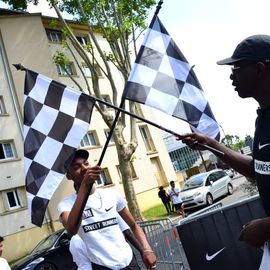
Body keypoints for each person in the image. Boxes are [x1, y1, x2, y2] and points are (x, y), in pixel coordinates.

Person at [177, 34, 270, 269]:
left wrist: (267, 227)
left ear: (260, 70)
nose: (231, 76)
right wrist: (211, 144)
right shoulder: (263, 118)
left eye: (237, 68)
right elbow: (257, 168)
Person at [58, 149, 156, 270]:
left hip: (129, 262)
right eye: (76, 166)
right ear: (69, 176)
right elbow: (72, 229)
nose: (84, 168)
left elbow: (133, 226)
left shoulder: (112, 194)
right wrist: (84, 185)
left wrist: (146, 249)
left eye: (86, 163)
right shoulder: (66, 205)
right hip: (103, 266)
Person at [70, 217, 145, 270]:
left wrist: (145, 252)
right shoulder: (77, 239)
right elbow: (84, 265)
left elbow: (128, 232)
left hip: (128, 263)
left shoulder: (109, 218)